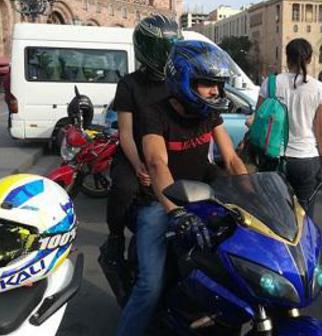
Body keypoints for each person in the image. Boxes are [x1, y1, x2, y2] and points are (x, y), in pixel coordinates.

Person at [115, 40, 248, 336]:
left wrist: (251, 192)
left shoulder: (208, 112)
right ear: (185, 79)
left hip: (205, 199)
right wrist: (176, 212)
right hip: (162, 204)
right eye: (208, 83)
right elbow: (156, 163)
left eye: (218, 84)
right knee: (150, 285)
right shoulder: (154, 113)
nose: (216, 91)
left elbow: (231, 158)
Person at [99, 14, 180, 299]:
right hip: (134, 152)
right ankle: (115, 238)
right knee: (124, 187)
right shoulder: (129, 84)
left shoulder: (177, 81)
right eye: (164, 48)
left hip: (165, 151)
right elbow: (125, 132)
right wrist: (138, 165)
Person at [255, 38, 322, 218]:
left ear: (287, 57)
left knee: (273, 214)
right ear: (310, 59)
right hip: (305, 159)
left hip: (273, 157)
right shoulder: (320, 89)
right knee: (304, 216)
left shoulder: (271, 83)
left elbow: (259, 117)